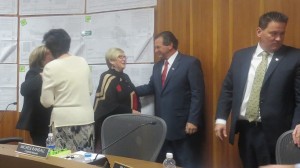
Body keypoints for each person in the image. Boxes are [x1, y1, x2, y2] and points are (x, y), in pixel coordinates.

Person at [214, 11, 300, 168]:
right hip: (246, 130)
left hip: (276, 133)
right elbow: (228, 89)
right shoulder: (241, 56)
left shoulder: (295, 57)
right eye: (273, 33)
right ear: (259, 32)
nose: (279, 38)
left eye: (282, 33)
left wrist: (298, 124)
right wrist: (221, 119)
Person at [135, 31, 205, 167]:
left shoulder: (190, 63)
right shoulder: (157, 66)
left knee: (187, 162)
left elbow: (198, 93)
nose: (156, 51)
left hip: (184, 127)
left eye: (158, 47)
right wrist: (128, 90)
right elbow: (151, 87)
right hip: (162, 127)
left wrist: (193, 120)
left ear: (170, 45)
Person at [40, 29, 94, 152]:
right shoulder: (83, 62)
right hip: (87, 118)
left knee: (62, 161)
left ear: (49, 49)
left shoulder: (50, 67)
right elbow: (89, 90)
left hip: (62, 122)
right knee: (85, 159)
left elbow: (46, 101)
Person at [93, 47, 141, 152]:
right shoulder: (107, 76)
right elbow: (107, 104)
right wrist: (130, 112)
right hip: (113, 126)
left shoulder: (125, 76)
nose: (124, 59)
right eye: (120, 57)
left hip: (128, 124)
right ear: (111, 61)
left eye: (124, 57)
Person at [16, 45, 53, 146]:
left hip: (52, 120)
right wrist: (41, 77)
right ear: (41, 58)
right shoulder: (34, 72)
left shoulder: (55, 72)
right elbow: (24, 89)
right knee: (42, 150)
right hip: (39, 122)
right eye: (50, 54)